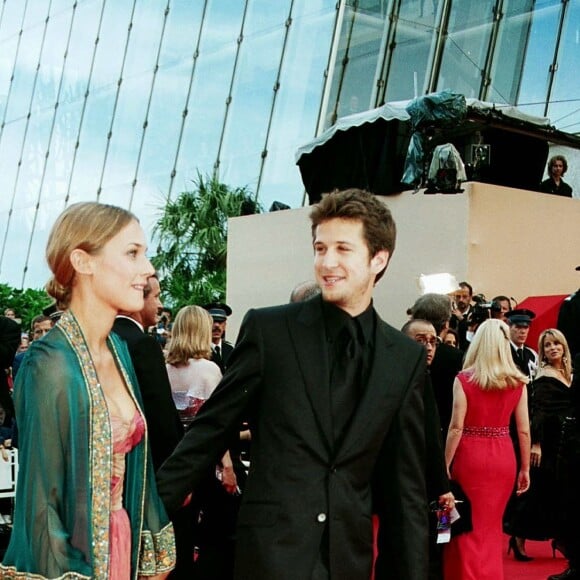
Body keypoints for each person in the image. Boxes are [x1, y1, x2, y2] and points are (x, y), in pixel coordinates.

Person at [157, 188, 430, 579]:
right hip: (271, 554)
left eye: (342, 249)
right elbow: (212, 428)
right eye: (320, 248)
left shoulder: (403, 357)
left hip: (347, 560)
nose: (327, 262)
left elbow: (405, 487)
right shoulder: (271, 331)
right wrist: (144, 513)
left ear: (379, 259)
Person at [0, 202, 175, 578]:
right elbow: (41, 508)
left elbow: (140, 475)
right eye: (132, 253)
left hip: (122, 544)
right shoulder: (47, 364)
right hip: (79, 563)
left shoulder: (120, 350)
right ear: (83, 261)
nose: (148, 269)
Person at [113, 276, 188, 579]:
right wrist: (180, 479)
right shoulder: (142, 344)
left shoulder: (100, 339)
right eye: (155, 296)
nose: (159, 304)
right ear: (137, 299)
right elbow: (162, 419)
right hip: (148, 481)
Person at [444, 318, 530, 580]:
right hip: (503, 457)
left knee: (463, 524)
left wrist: (443, 463)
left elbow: (456, 427)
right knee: (490, 528)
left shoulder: (464, 379)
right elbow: (524, 429)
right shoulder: (518, 381)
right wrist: (525, 467)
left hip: (469, 456)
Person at [166, 305, 242, 580]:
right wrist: (228, 467)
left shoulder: (165, 370)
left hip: (177, 463)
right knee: (219, 536)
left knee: (181, 536)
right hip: (209, 465)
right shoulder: (209, 370)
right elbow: (217, 427)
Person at [508, 330, 575, 567]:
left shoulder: (567, 372)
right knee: (539, 490)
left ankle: (561, 538)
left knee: (560, 490)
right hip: (548, 441)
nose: (553, 348)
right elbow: (538, 411)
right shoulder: (544, 376)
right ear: (543, 351)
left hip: (566, 438)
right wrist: (535, 443)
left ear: (564, 346)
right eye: (547, 346)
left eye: (557, 343)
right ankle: (518, 537)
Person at [507, 308, 538, 381]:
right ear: (509, 327)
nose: (523, 331)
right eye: (518, 327)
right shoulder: (503, 351)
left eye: (526, 327)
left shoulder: (532, 354)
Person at [204, 302, 234, 373]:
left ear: (225, 325)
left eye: (220, 322)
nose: (217, 325)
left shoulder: (231, 350)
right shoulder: (199, 350)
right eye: (213, 321)